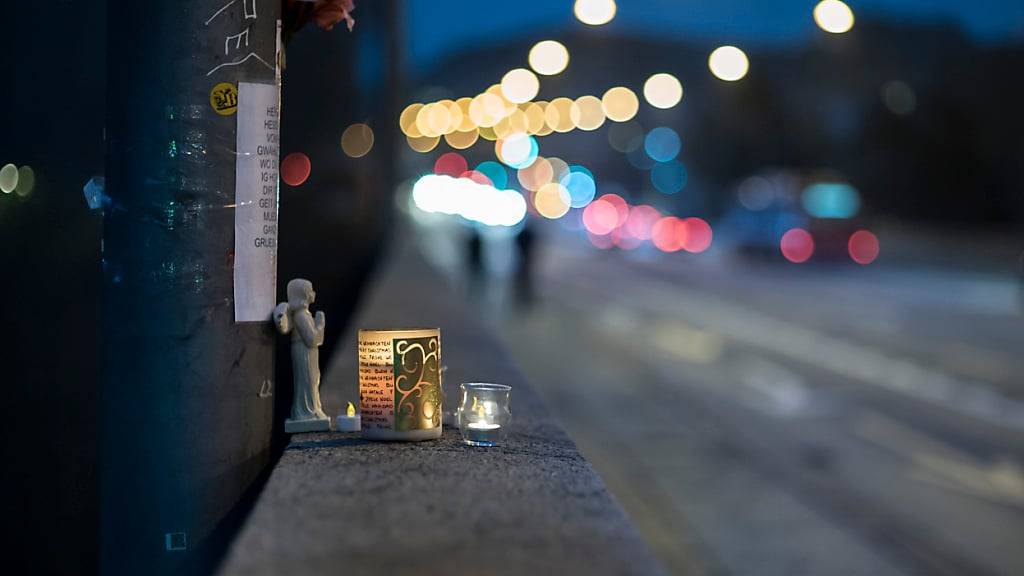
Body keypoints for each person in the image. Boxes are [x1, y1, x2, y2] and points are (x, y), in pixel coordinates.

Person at [274, 278, 330, 432]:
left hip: (308, 351)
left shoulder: (304, 313)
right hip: (304, 351)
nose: (313, 293)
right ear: (303, 294)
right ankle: (306, 412)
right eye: (310, 291)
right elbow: (311, 339)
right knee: (307, 380)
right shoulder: (301, 315)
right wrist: (320, 324)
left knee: (313, 379)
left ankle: (313, 409)